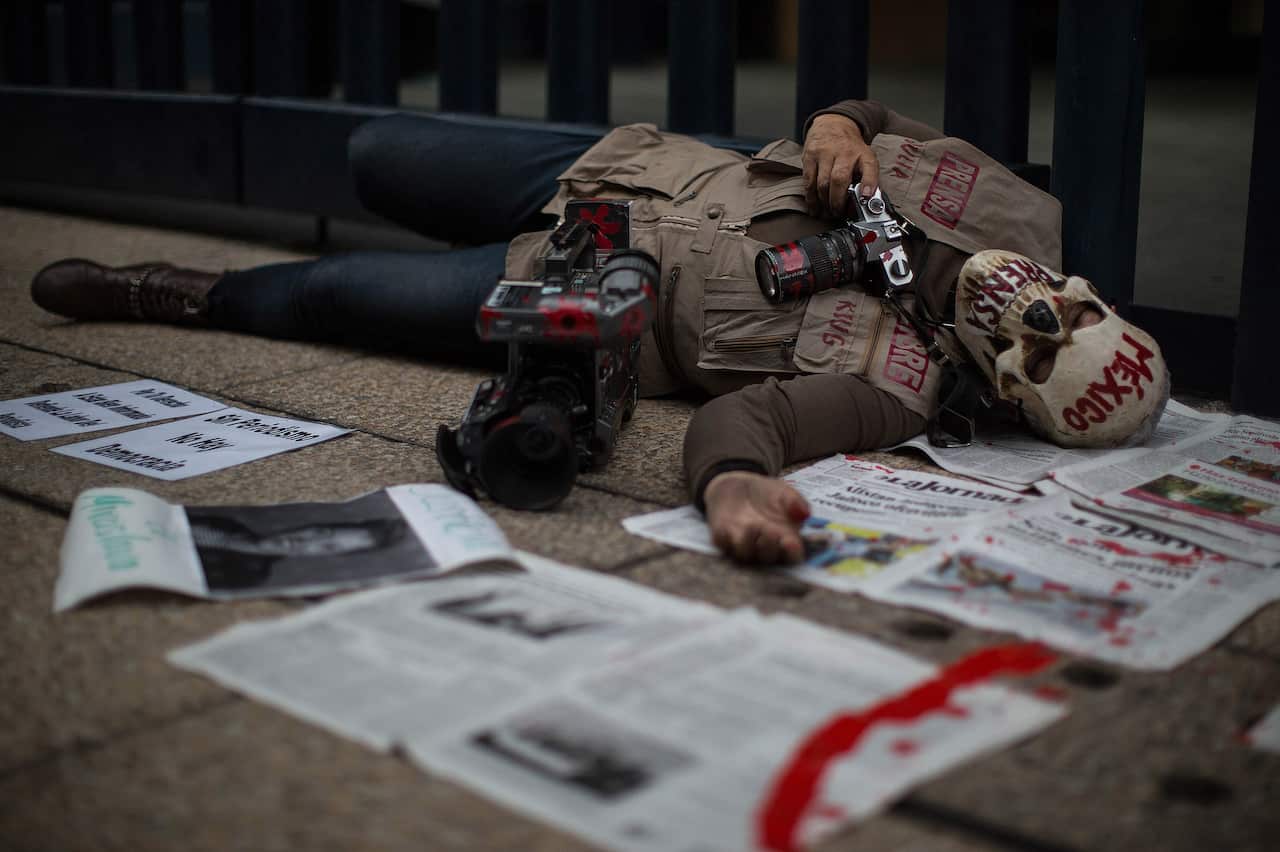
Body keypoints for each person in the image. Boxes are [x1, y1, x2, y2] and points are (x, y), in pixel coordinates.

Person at [30, 100, 1170, 565]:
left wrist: (728, 489)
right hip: (621, 172)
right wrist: (837, 123)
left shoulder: (898, 388)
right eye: (1070, 309)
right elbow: (870, 116)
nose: (1030, 312)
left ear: (1013, 398)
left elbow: (748, 416)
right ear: (1086, 290)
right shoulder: (1024, 212)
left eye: (1038, 350)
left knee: (340, 297)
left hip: (575, 285)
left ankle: (172, 292)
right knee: (377, 151)